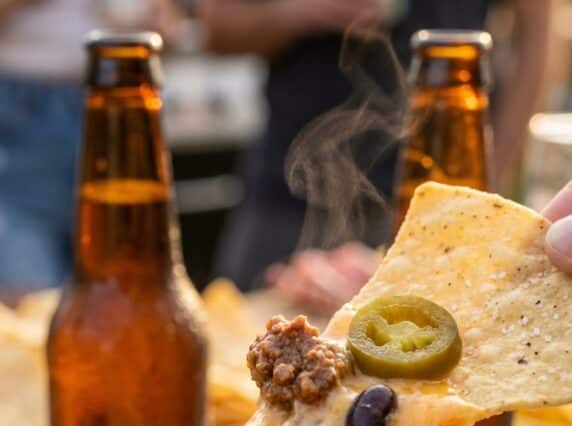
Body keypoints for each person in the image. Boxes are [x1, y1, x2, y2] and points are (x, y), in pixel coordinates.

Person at [200, 0, 551, 292]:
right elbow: (215, 25)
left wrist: (491, 184)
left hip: (443, 211)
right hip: (285, 205)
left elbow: (536, 36)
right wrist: (304, 9)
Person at [0, 0, 181, 291]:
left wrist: (158, 21)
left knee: (121, 290)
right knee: (25, 286)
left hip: (119, 99)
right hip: (22, 106)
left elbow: (167, 26)